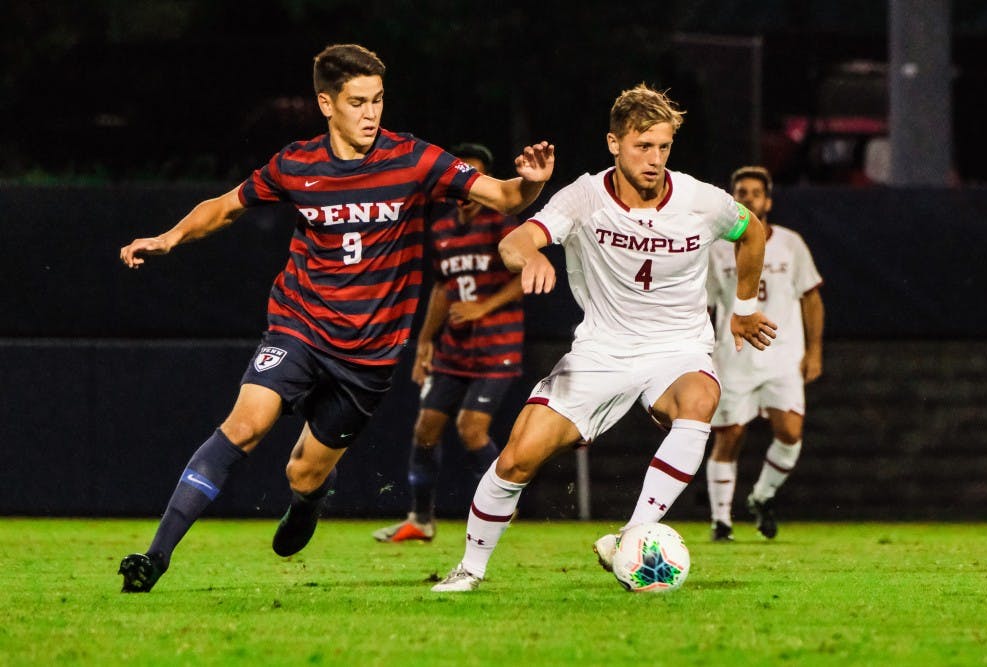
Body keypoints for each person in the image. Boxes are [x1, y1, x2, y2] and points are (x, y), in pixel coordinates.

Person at [116, 44, 554, 593]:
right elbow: (226, 206)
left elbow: (506, 196)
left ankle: (307, 502)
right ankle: (154, 558)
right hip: (299, 326)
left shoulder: (414, 159)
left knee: (304, 472)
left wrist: (532, 182)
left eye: (377, 101)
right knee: (245, 425)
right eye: (357, 102)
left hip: (368, 357)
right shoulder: (296, 165)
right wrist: (169, 237)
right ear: (326, 103)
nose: (371, 114)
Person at [431, 84, 776, 593]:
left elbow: (753, 234)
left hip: (677, 347)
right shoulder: (584, 197)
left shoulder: (703, 201)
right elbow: (514, 238)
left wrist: (744, 309)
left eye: (663, 147)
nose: (654, 159)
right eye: (642, 146)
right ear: (614, 144)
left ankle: (633, 536)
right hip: (602, 350)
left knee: (700, 399)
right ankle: (470, 568)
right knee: (517, 458)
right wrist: (530, 255)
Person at [372, 143, 526, 543]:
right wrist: (425, 341)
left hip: (497, 347)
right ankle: (421, 520)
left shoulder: (500, 222)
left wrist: (482, 308)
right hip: (453, 350)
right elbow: (443, 288)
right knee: (425, 430)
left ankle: (502, 509)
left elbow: (526, 275)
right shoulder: (441, 229)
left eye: (474, 176)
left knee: (472, 430)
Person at [705, 165, 824, 541]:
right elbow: (703, 307)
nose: (748, 197)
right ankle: (721, 520)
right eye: (741, 191)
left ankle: (762, 496)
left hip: (783, 355)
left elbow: (811, 297)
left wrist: (815, 350)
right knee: (730, 435)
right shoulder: (716, 249)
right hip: (734, 356)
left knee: (790, 432)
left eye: (755, 192)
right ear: (732, 198)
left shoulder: (791, 244)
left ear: (768, 200)